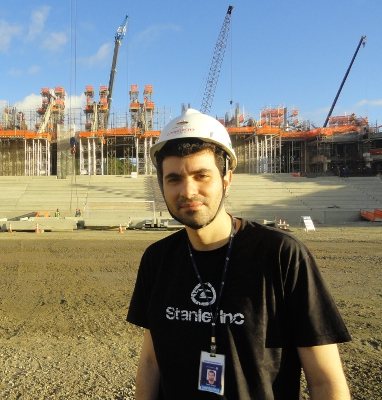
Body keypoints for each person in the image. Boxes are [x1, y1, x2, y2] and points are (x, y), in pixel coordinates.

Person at [127, 108, 351, 399]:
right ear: (162, 185)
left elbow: (325, 380)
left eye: (201, 175)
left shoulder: (281, 256)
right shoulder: (157, 260)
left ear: (226, 179)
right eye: (173, 179)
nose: (188, 190)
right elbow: (150, 362)